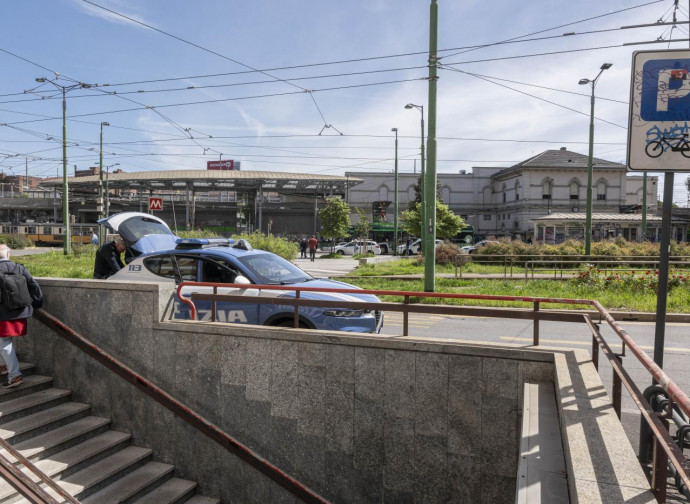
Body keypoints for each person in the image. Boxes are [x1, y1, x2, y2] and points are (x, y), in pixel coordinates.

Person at [0, 244, 42, 389]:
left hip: (3, 313)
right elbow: (33, 285)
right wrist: (37, 302)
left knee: (4, 343)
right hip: (20, 310)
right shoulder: (19, 268)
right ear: (9, 254)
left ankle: (14, 375)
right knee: (4, 341)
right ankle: (4, 365)